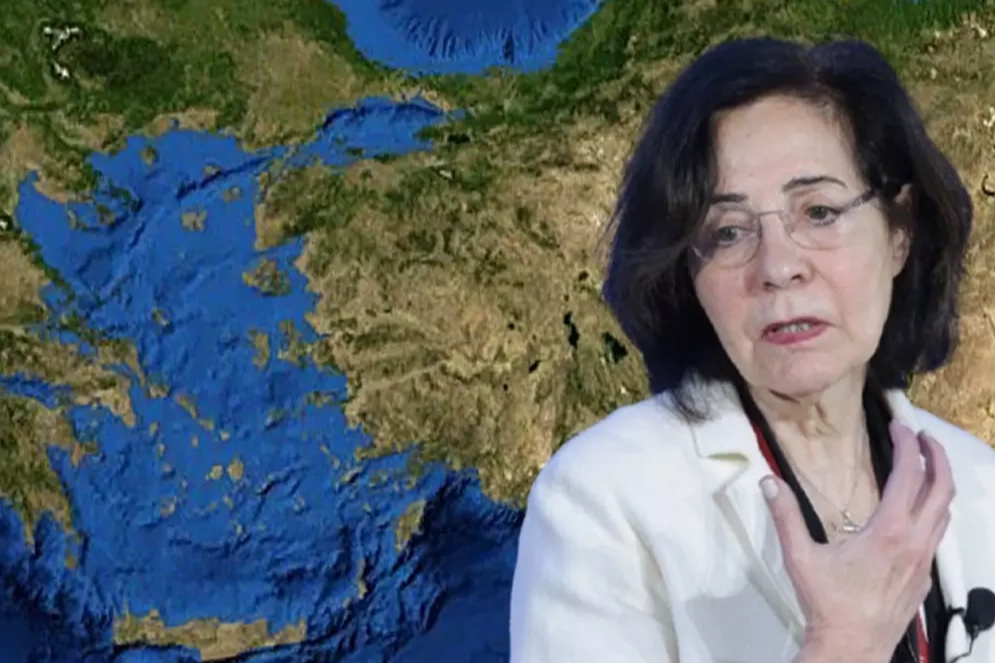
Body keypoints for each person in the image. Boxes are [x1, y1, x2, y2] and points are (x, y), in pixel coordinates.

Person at [509, 36, 995, 663]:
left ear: (899, 232)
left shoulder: (981, 483)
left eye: (819, 212)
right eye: (729, 232)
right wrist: (843, 646)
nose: (778, 266)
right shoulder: (600, 500)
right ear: (687, 273)